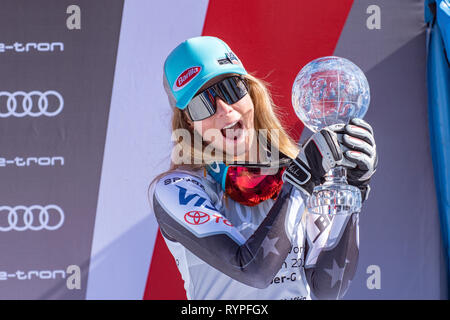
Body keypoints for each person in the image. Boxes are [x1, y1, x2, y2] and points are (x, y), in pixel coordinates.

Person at [149, 36, 377, 300]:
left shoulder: (296, 173)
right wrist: (301, 179)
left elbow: (328, 288)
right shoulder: (177, 188)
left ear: (252, 94)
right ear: (189, 123)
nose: (224, 109)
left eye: (231, 89)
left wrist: (351, 189)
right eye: (203, 104)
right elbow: (253, 270)